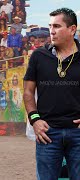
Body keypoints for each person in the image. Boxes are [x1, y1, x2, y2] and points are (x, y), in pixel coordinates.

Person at [23, 8, 80, 180]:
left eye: (57, 26)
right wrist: (35, 120)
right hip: (47, 133)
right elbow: (28, 91)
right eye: (50, 26)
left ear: (72, 29)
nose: (51, 31)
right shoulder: (39, 55)